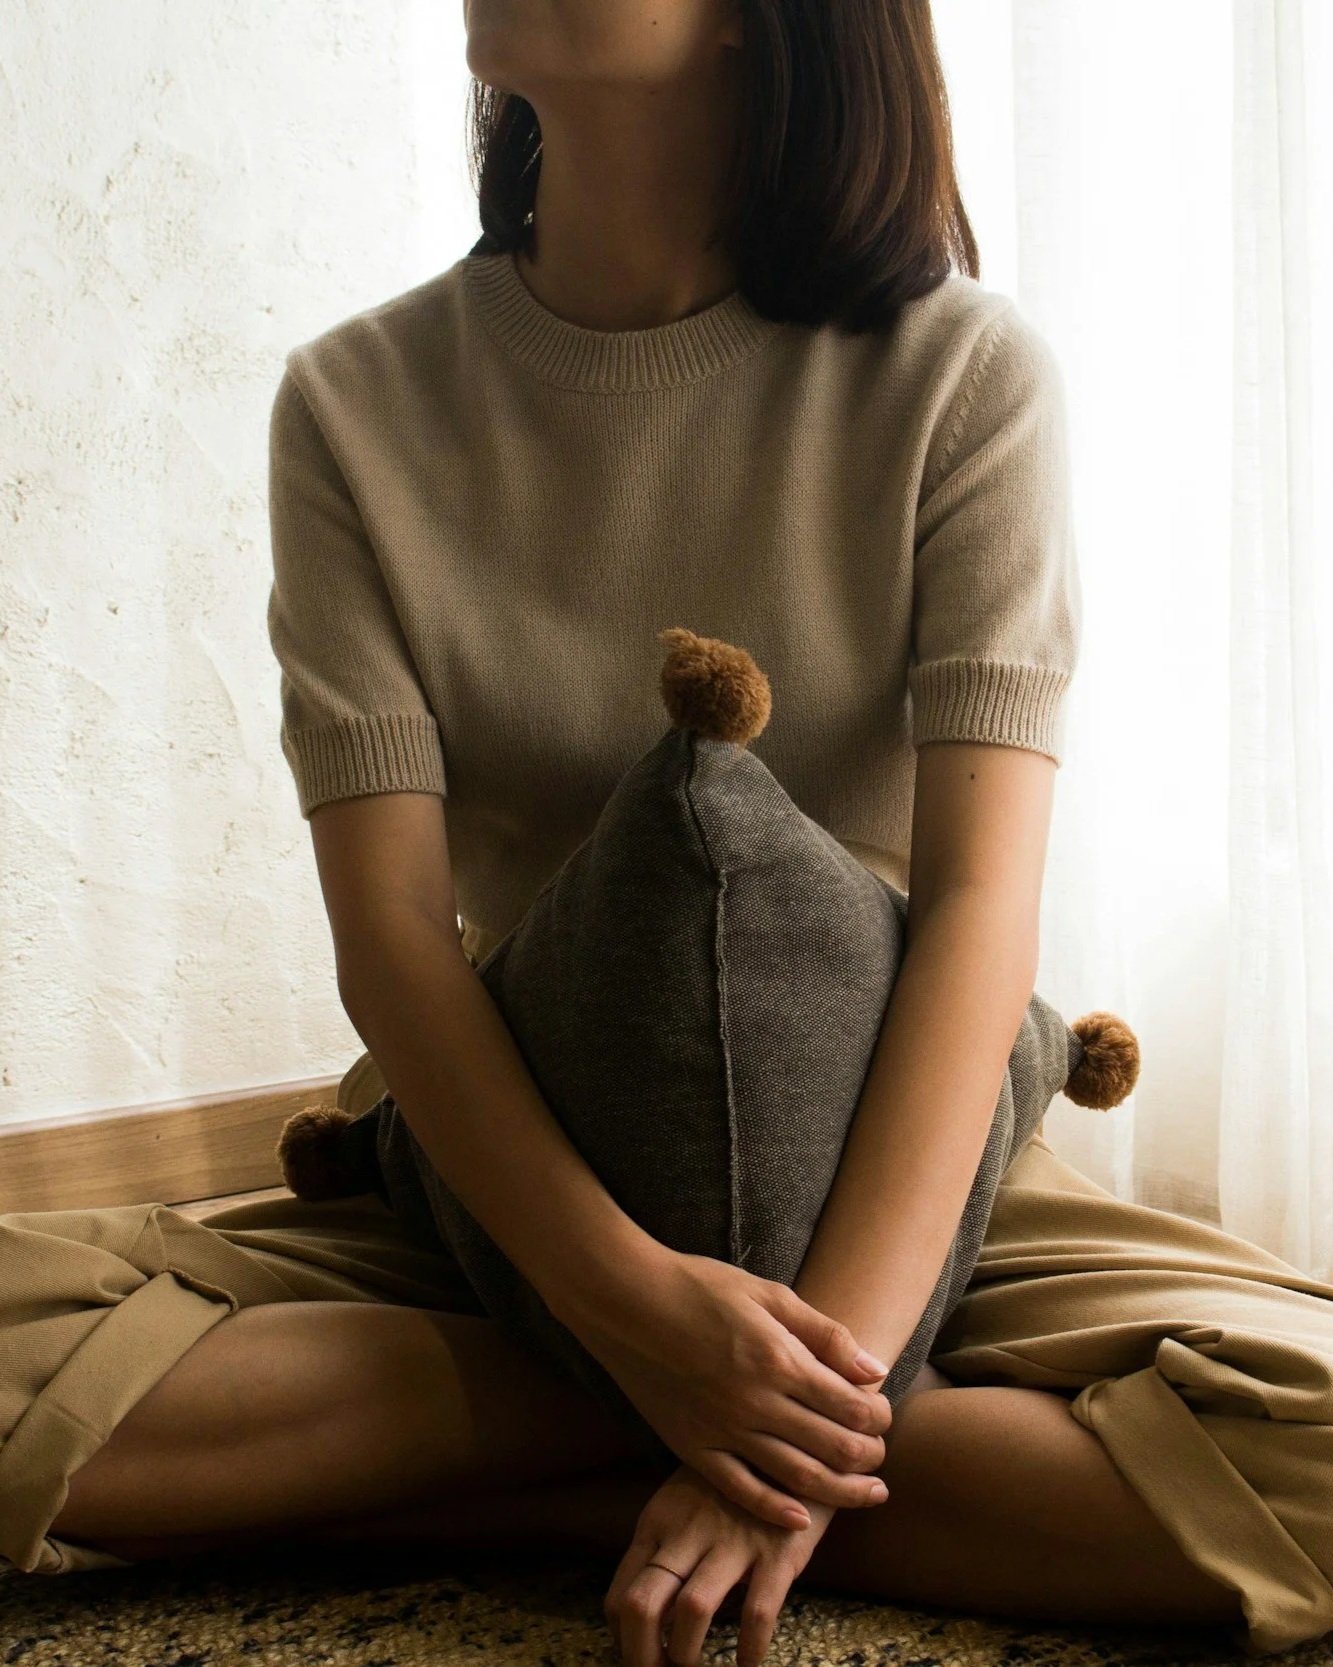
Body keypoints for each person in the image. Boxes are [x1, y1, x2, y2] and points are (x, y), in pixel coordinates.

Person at [4, 4, 1333, 1665]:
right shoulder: (354, 401)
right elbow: (395, 943)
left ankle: (555, 1478)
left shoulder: (960, 373)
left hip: (904, 1156)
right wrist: (643, 1325)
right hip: (512, 1173)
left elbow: (979, 909)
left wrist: (820, 1355)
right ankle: (686, 1445)